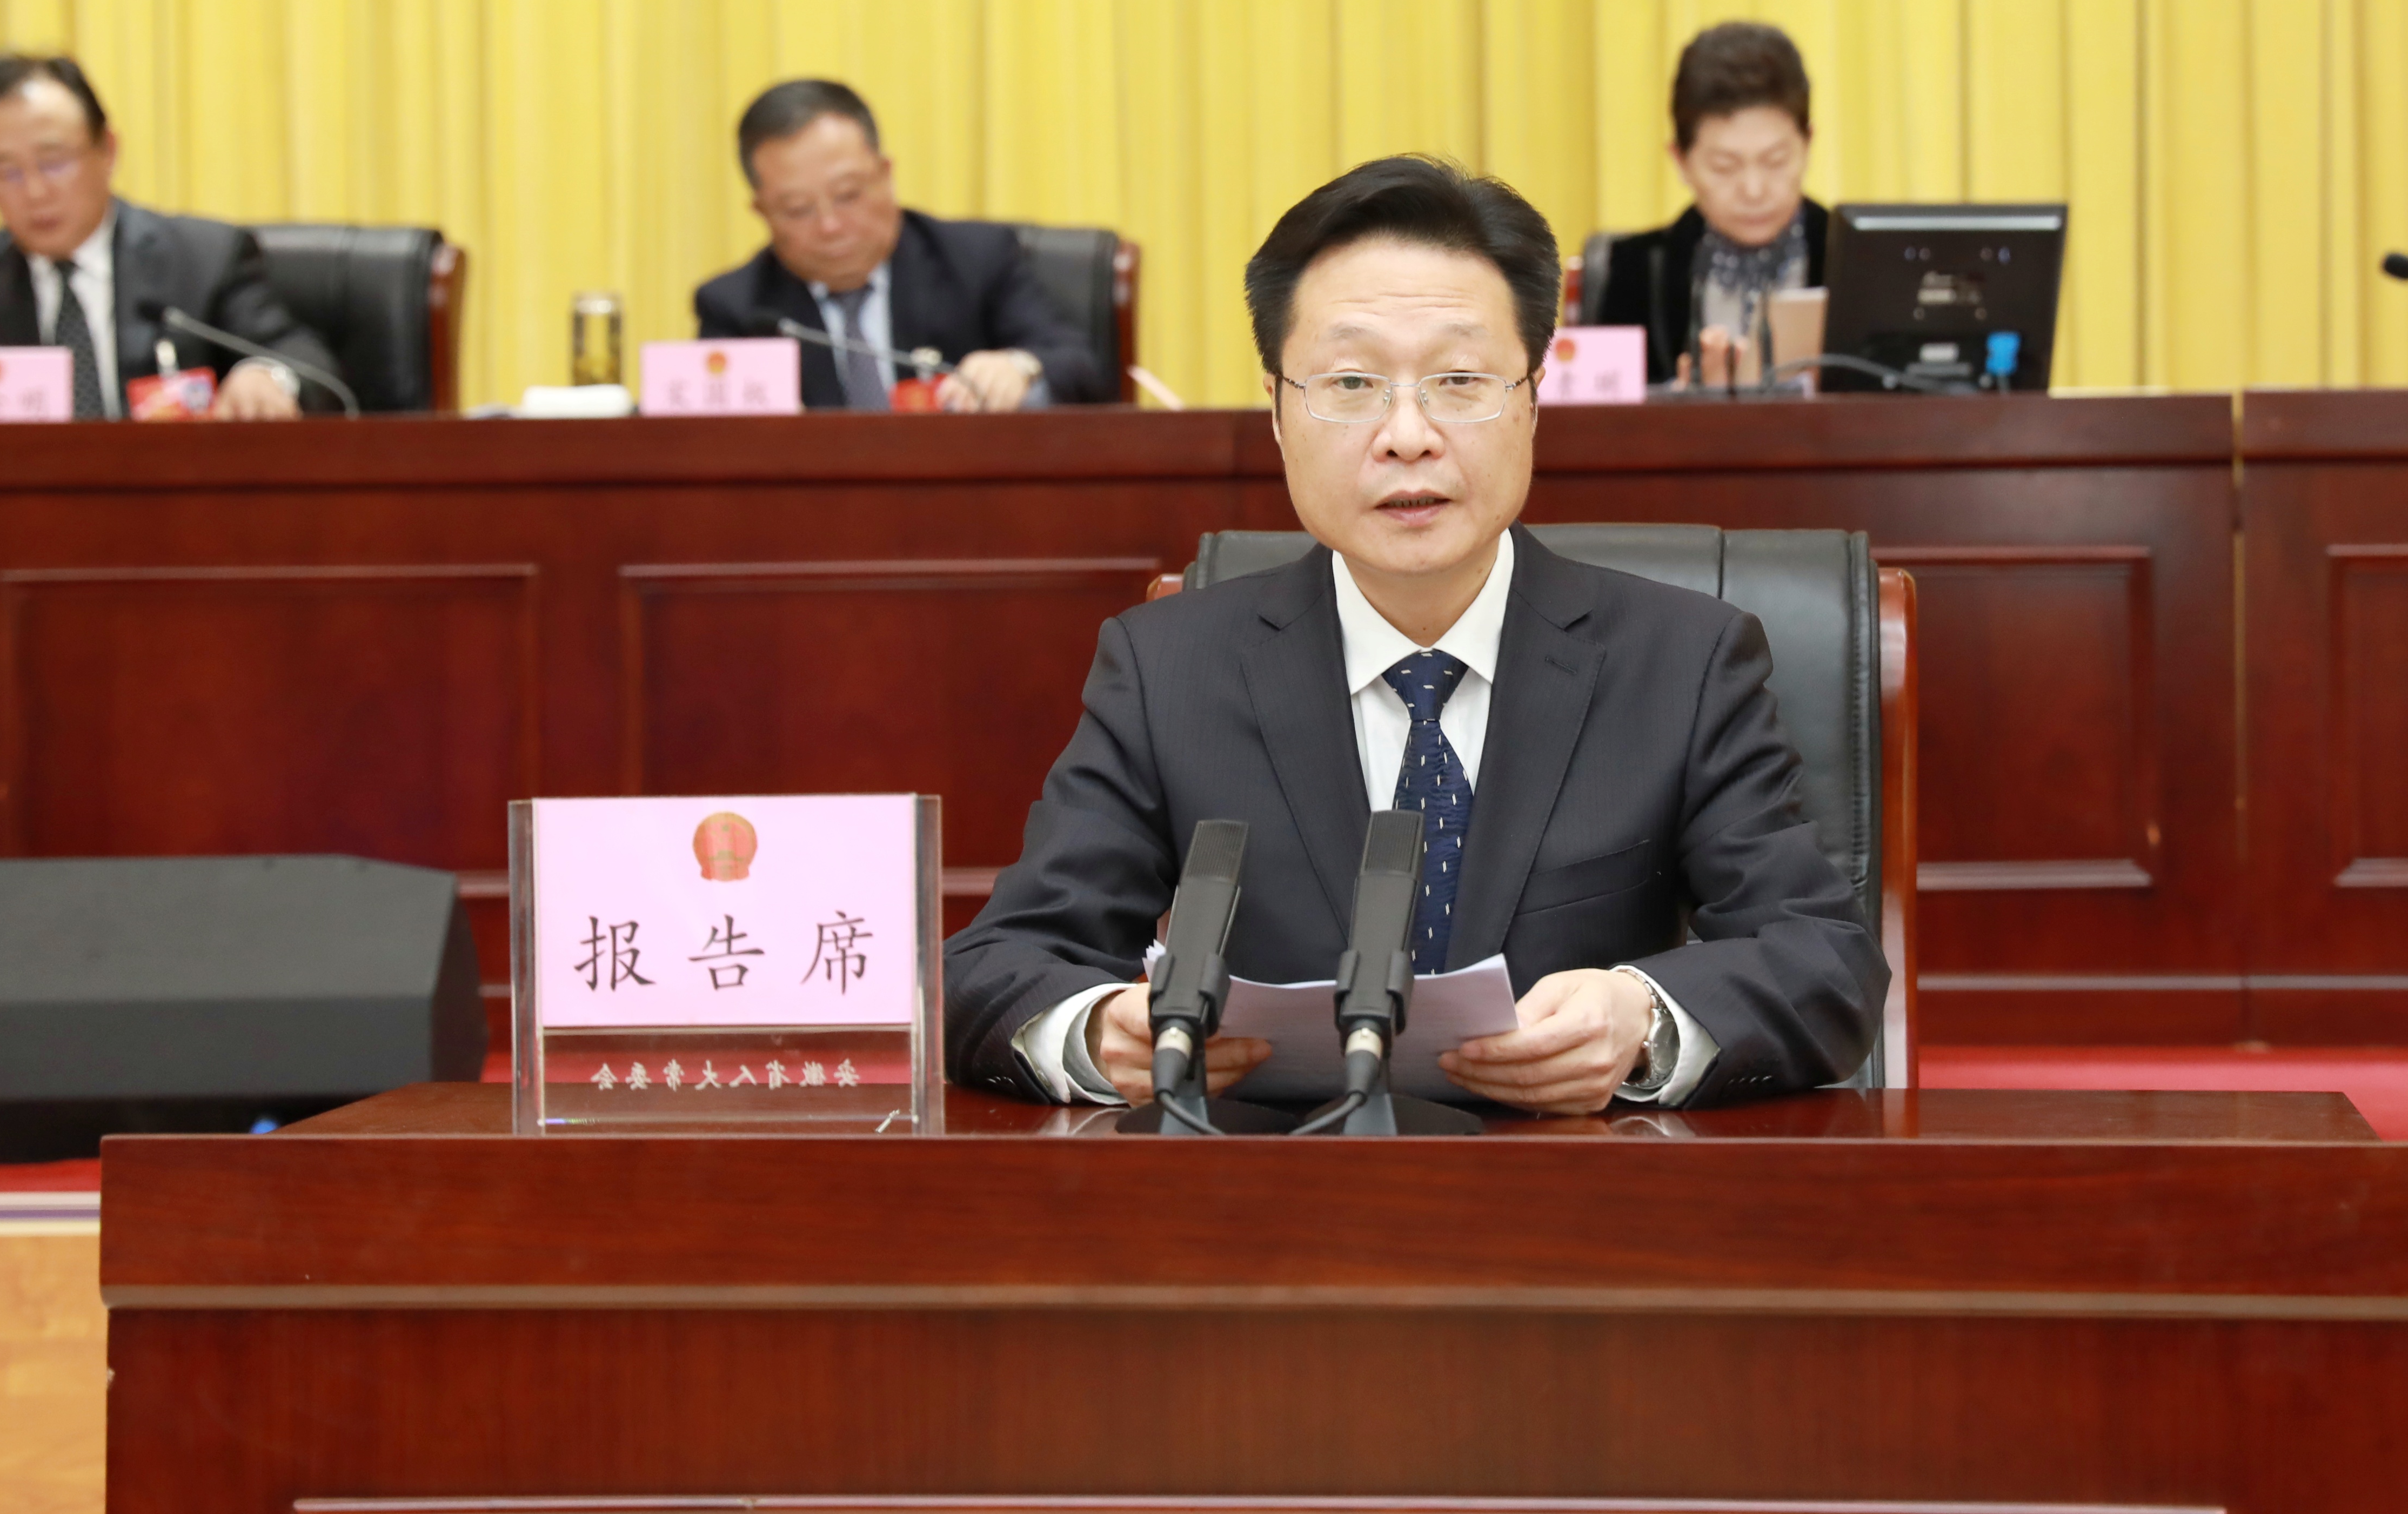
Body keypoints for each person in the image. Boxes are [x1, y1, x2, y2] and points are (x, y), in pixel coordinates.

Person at [946, 155, 1887, 1115]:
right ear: (1277, 412)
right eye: (1351, 382)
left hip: (1575, 1183)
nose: (1407, 435)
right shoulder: (1166, 670)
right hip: (1269, 1188)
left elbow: (1825, 959)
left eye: (1459, 379)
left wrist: (1642, 1020)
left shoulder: (1681, 662)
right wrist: (1094, 1031)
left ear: (1532, 400)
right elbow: (995, 965)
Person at [0, 53, 343, 420]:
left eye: (53, 162)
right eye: (4, 171)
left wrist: (267, 375)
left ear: (107, 150)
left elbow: (303, 358)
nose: (34, 192)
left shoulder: (203, 259)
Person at [692, 78, 1104, 410]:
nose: (830, 226)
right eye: (798, 209)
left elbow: (1078, 363)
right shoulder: (738, 309)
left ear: (886, 174)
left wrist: (1019, 367)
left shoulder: (974, 259)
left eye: (848, 195)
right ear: (762, 211)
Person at [1593, 21, 1829, 385]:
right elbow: (1604, 410)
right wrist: (1681, 404)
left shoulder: (1861, 260)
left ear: (1808, 144)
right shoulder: (1637, 272)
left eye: (1776, 160)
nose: (1753, 190)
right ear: (1680, 161)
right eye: (1724, 166)